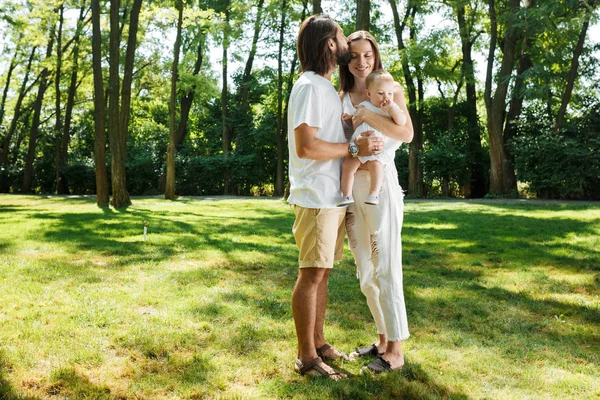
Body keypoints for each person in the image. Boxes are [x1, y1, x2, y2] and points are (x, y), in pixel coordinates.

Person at [287, 17, 382, 379]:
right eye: (341, 37)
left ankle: (320, 343)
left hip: (331, 196)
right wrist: (352, 145)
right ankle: (306, 358)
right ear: (329, 44)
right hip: (315, 197)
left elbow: (322, 135)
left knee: (322, 273)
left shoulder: (324, 88)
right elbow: (307, 145)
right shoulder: (310, 86)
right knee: (311, 274)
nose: (345, 42)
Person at [338, 30, 414, 373]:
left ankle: (396, 351)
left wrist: (368, 116)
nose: (361, 61)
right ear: (345, 59)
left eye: (367, 54)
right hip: (353, 187)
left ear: (375, 55)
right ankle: (382, 339)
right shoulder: (341, 95)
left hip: (380, 186)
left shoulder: (388, 90)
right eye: (353, 55)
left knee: (385, 266)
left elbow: (406, 134)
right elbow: (343, 141)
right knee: (365, 271)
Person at [337, 70, 407, 207]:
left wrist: (392, 108)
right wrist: (349, 120)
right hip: (359, 146)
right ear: (369, 94)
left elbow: (401, 121)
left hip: (376, 149)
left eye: (390, 93)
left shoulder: (390, 109)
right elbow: (356, 125)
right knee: (347, 165)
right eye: (381, 93)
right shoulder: (364, 106)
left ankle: (374, 193)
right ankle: (346, 195)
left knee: (376, 166)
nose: (386, 97)